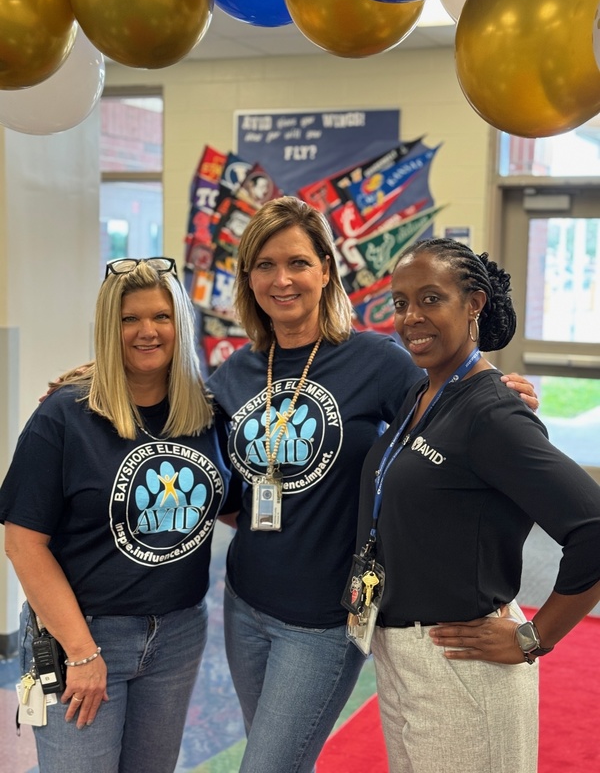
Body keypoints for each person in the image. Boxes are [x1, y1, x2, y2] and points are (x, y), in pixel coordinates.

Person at [205, 197, 539, 773]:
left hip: (326, 619)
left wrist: (503, 398)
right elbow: (191, 450)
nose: (281, 279)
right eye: (264, 265)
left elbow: (454, 407)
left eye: (298, 262)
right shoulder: (233, 372)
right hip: (244, 604)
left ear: (326, 270)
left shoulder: (375, 361)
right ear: (247, 279)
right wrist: (93, 379)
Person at [354, 237, 600, 773]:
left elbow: (594, 529)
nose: (411, 317)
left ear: (474, 304)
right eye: (400, 303)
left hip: (462, 664)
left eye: (430, 299)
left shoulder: (492, 413)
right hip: (402, 657)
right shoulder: (422, 395)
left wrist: (535, 637)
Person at [0, 258, 231, 773]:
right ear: (109, 328)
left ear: (181, 324)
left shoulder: (207, 412)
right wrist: (81, 651)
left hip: (177, 635)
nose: (147, 331)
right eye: (129, 319)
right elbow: (22, 543)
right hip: (82, 632)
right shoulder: (64, 414)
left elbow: (232, 503)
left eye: (161, 316)